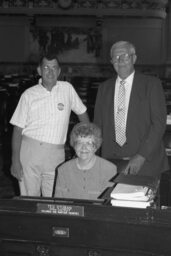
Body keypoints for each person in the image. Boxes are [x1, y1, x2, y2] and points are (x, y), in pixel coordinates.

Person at [10, 52, 89, 197]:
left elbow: (82, 113)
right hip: (30, 153)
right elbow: (17, 129)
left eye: (54, 68)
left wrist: (87, 140)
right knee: (29, 199)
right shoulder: (28, 95)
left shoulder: (67, 89)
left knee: (53, 200)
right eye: (46, 67)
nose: (50, 71)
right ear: (39, 70)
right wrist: (15, 160)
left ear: (59, 71)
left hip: (56, 154)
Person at [94, 40, 169, 177]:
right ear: (111, 61)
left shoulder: (151, 85)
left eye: (125, 56)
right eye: (116, 57)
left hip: (145, 162)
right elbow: (98, 125)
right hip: (111, 162)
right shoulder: (103, 88)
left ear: (134, 58)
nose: (120, 60)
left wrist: (141, 156)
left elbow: (158, 124)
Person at [55, 122, 117, 200]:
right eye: (79, 143)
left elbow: (108, 205)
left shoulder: (109, 169)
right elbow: (58, 203)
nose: (84, 147)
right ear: (74, 145)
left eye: (89, 143)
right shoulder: (63, 170)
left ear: (96, 146)